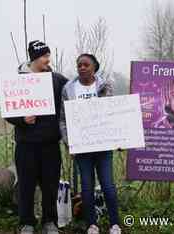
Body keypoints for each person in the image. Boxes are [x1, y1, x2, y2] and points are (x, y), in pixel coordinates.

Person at [5, 40, 68, 234]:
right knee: (26, 186)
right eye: (44, 56)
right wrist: (22, 119)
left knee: (50, 186)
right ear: (34, 58)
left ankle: (50, 222)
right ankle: (27, 223)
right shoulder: (17, 81)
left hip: (50, 144)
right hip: (26, 145)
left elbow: (74, 93)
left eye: (48, 55)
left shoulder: (57, 80)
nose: (48, 60)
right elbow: (8, 112)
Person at [59, 54, 121, 234]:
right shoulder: (69, 89)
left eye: (86, 64)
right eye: (79, 65)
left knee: (108, 185)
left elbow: (114, 114)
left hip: (103, 146)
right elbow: (63, 120)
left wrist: (119, 138)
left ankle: (114, 224)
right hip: (81, 148)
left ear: (95, 67)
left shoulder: (105, 86)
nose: (82, 68)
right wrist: (68, 141)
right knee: (86, 186)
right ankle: (92, 224)